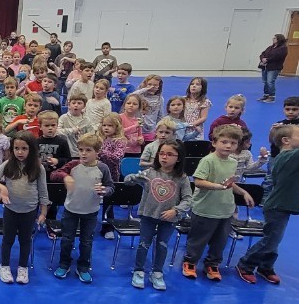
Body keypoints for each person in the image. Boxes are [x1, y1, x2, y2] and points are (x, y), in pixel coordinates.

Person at [182, 124, 255, 281]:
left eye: (233, 143)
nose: (228, 146)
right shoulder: (208, 161)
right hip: (205, 209)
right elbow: (199, 181)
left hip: (225, 210)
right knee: (198, 239)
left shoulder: (232, 163)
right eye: (224, 142)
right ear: (215, 142)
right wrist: (217, 186)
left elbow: (229, 184)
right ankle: (190, 261)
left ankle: (212, 264)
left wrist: (243, 192)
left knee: (220, 241)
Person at [236, 124, 299, 285]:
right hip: (277, 205)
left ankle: (266, 266)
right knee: (271, 239)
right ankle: (246, 264)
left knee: (275, 237)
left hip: (284, 204)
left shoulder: (290, 156)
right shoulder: (288, 157)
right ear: (286, 141)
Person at [125, 141, 192, 291]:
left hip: (168, 219)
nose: (164, 157)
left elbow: (188, 199)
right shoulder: (150, 172)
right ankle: (139, 270)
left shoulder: (182, 178)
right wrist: (134, 178)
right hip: (148, 215)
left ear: (179, 158)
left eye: (169, 154)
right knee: (143, 244)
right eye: (161, 153)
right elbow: (128, 180)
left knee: (162, 246)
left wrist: (176, 210)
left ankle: (157, 272)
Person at [51, 133, 114, 283]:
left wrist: (104, 191)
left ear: (97, 152)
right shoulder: (73, 165)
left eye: (88, 150)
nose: (83, 153)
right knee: (67, 239)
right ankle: (64, 264)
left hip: (91, 212)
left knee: (86, 241)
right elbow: (55, 174)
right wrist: (65, 177)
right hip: (71, 210)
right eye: (81, 150)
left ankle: (83, 267)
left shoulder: (103, 168)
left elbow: (111, 186)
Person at [0, 130, 48, 285]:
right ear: (12, 149)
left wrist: (43, 212)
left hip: (29, 211)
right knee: (7, 239)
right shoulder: (8, 164)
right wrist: (1, 187)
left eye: (24, 149)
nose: (20, 152)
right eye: (16, 148)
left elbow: (43, 191)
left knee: (25, 240)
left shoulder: (38, 168)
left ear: (31, 150)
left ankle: (23, 267)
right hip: (11, 209)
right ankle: (5, 266)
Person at [258, 34, 288, 102]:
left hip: (274, 67)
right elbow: (263, 53)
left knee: (270, 82)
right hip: (265, 66)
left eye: (275, 38)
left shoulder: (283, 48)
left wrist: (267, 60)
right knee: (265, 81)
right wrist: (262, 58)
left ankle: (271, 97)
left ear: (279, 39)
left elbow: (277, 57)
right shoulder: (270, 47)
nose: (273, 39)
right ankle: (266, 95)